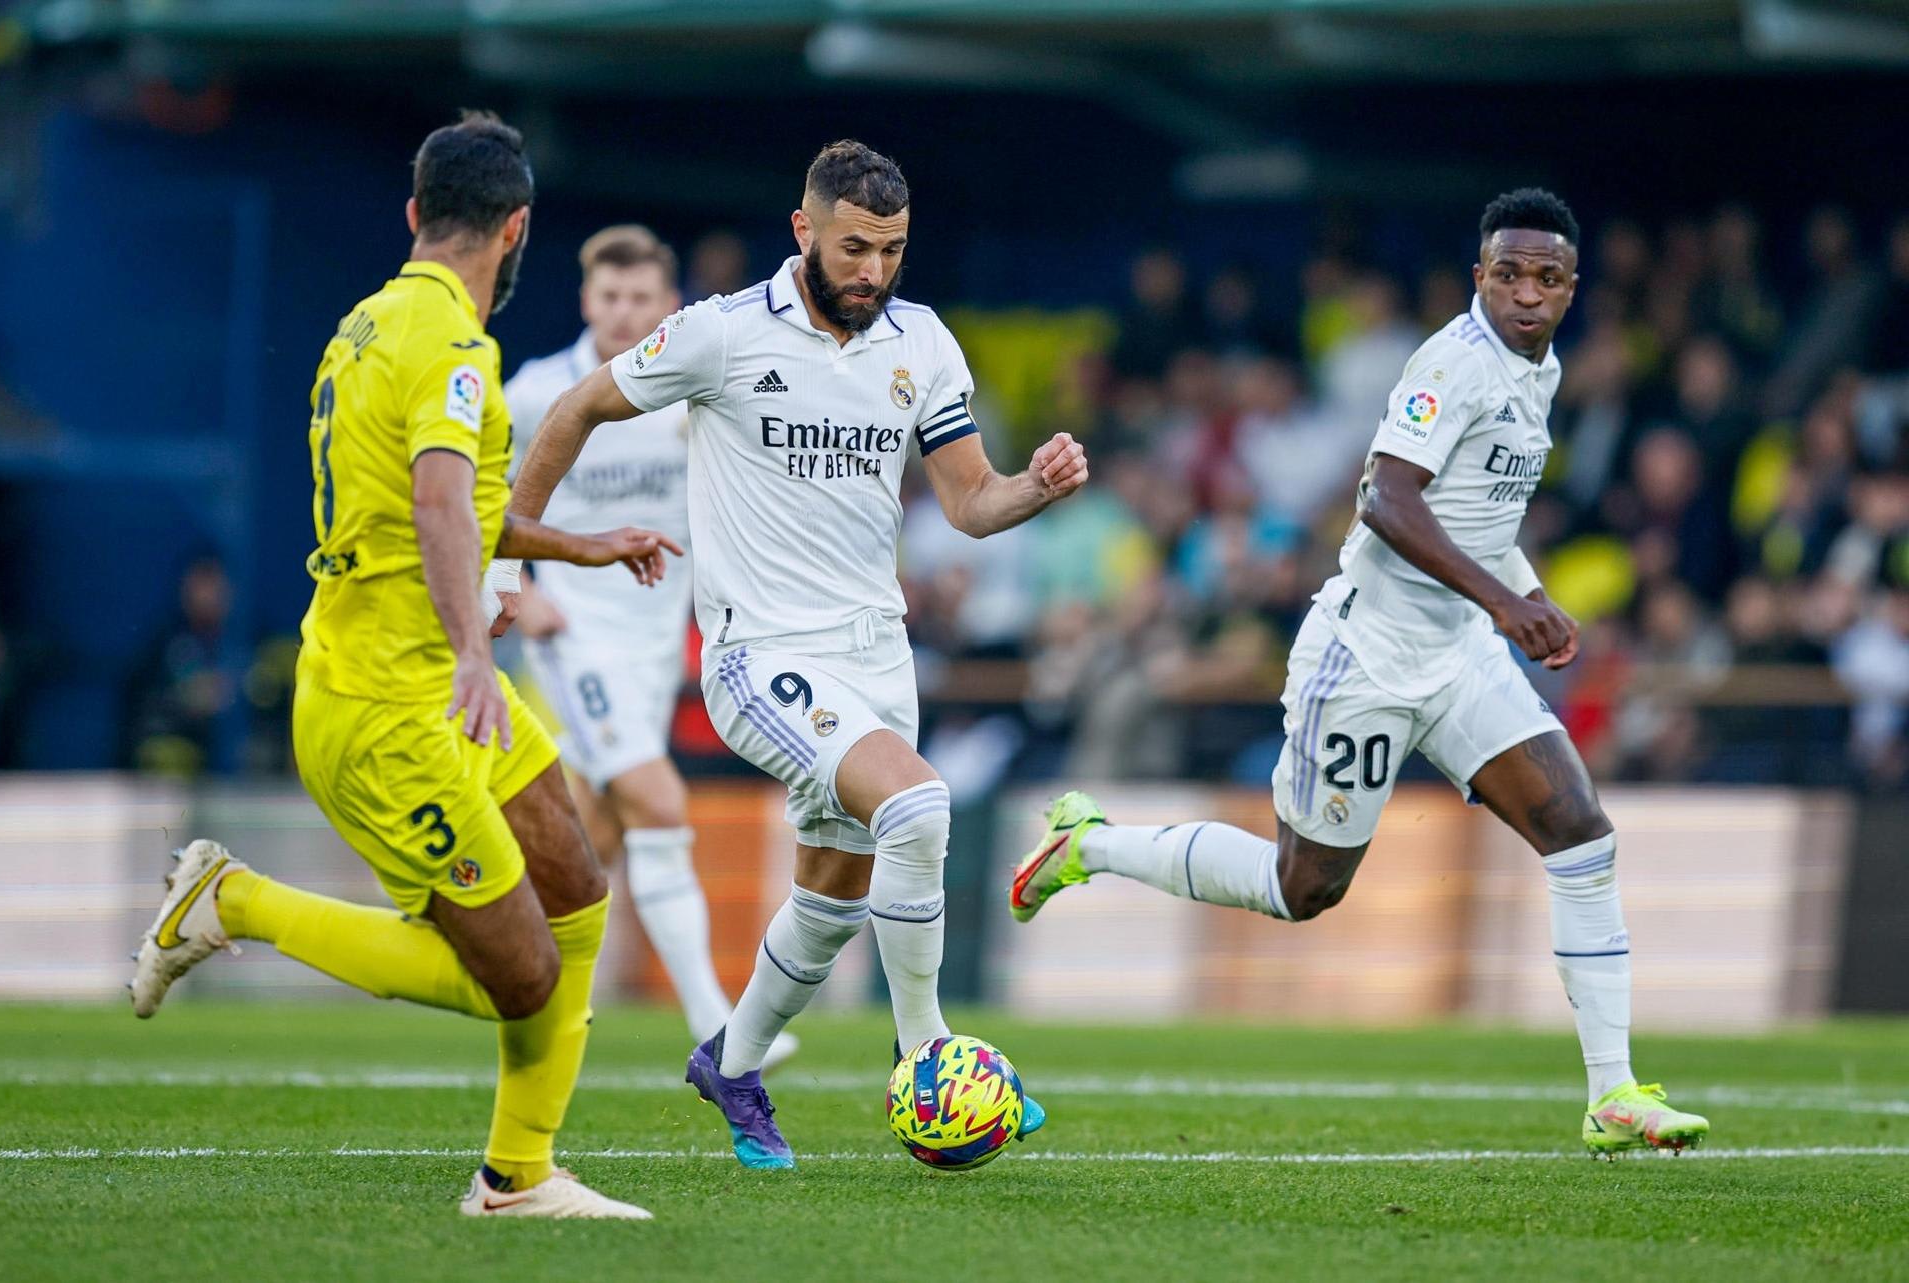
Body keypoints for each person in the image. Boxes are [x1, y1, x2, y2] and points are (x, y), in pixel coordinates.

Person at [1012, 189, 1711, 1158]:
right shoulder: (1451, 363)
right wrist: (1508, 605)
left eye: (1545, 278)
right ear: (1480, 277)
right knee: (1304, 887)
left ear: (1570, 289)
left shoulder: (1537, 373)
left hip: (1457, 652)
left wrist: (1528, 592)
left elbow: (1478, 518)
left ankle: (1612, 1091)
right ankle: (1092, 841)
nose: (1524, 293)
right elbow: (1386, 498)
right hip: (1367, 656)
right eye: (1506, 273)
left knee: (1579, 830)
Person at [128, 112, 682, 1219]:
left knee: (576, 886)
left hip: (426, 675)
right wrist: (480, 651)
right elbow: (437, 499)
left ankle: (519, 1176)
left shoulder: (364, 326)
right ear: (518, 229)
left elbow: (445, 508)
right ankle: (231, 900)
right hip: (392, 703)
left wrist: (581, 544)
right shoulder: (456, 350)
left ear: (417, 213)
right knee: (518, 973)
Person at [509, 140, 1086, 1169]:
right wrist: (514, 556)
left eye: (893, 251)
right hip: (758, 656)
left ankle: (729, 1060)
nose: (873, 271)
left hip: (875, 654)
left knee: (831, 897)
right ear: (803, 231)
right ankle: (931, 1058)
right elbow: (578, 406)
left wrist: (1034, 485)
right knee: (918, 805)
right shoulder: (719, 335)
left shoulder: (923, 343)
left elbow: (968, 500)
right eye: (855, 247)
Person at [504, 225, 795, 1068]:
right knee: (660, 803)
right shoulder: (536, 393)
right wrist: (518, 594)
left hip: (655, 646)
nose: (625, 314)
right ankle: (722, 1027)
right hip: (574, 638)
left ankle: (524, 991)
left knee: (593, 842)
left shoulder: (692, 390)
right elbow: (486, 499)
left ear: (668, 306)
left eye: (641, 299)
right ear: (586, 300)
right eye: (609, 297)